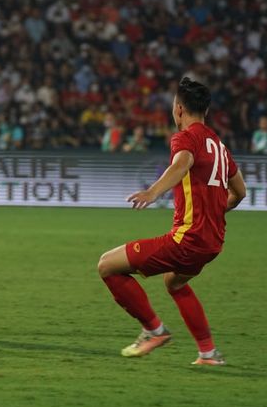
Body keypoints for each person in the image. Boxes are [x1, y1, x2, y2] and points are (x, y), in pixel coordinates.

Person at [97, 77, 247, 365]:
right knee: (174, 283)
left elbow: (181, 164)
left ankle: (154, 330)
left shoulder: (185, 138)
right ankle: (208, 353)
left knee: (107, 266)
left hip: (187, 241)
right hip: (212, 243)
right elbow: (240, 192)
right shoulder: (219, 146)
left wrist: (153, 192)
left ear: (179, 109)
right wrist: (215, 214)